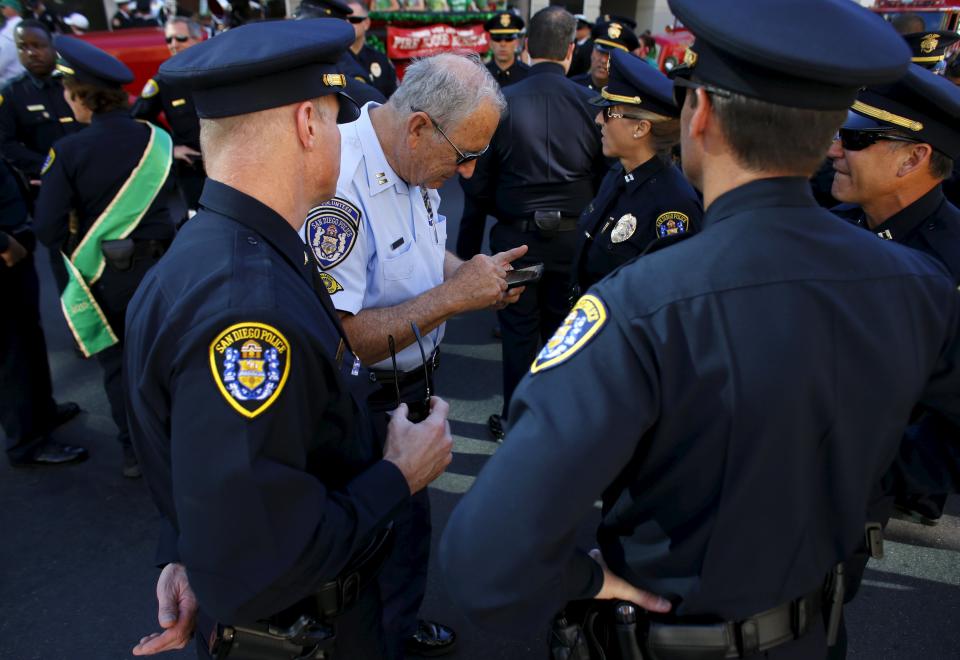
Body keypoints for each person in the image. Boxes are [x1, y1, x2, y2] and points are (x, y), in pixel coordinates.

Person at [439, 2, 960, 659]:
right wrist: (861, 476)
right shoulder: (916, 284)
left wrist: (587, 578)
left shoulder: (641, 305)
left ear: (703, 116)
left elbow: (483, 558)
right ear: (828, 134)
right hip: (816, 633)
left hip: (670, 633)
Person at [125, 18, 454, 659]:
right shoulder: (250, 310)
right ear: (307, 124)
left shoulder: (210, 252)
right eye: (335, 119)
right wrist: (400, 474)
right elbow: (268, 555)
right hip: (303, 634)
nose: (341, 136)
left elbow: (197, 456)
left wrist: (187, 552)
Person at [305, 52, 523, 658]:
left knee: (409, 530)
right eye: (464, 154)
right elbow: (342, 339)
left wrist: (474, 274)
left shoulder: (414, 161)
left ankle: (400, 624)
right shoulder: (339, 183)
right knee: (371, 543)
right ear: (420, 126)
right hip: (363, 405)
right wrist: (457, 296)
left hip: (412, 390)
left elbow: (425, 260)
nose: (471, 172)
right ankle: (382, 638)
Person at [825, 62, 960, 659]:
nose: (834, 149)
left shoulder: (950, 262)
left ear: (913, 159)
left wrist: (880, 475)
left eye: (855, 139)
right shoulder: (831, 228)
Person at [460, 6, 606, 441]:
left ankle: (518, 423)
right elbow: (604, 178)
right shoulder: (590, 105)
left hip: (516, 240)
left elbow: (478, 187)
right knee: (565, 334)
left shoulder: (503, 105)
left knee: (519, 334)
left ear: (526, 46)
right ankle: (560, 425)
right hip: (573, 241)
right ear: (571, 49)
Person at [33, 35, 175, 478]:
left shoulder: (70, 150)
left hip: (105, 276)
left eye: (68, 93)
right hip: (164, 269)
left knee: (118, 366)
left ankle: (135, 450)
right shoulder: (155, 138)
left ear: (80, 96)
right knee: (166, 357)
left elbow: (47, 229)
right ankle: (180, 440)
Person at [571, 49, 701, 298]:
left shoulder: (673, 206)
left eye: (610, 111)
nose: (599, 119)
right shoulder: (618, 174)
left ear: (641, 128)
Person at [1, 157, 84, 467]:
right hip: (6, 252)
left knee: (29, 339)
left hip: (16, 249)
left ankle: (41, 413)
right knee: (13, 355)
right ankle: (27, 443)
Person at [0, 20, 79, 291]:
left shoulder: (73, 83)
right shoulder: (11, 95)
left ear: (52, 47)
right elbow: (6, 145)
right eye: (23, 47)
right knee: (63, 262)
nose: (31, 53)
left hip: (88, 183)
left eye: (38, 45)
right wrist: (49, 167)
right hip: (47, 190)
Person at [132, 17, 204, 212]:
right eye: (169, 39)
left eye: (181, 38)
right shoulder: (163, 82)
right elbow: (137, 119)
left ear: (198, 39)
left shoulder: (217, 73)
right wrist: (171, 148)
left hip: (228, 166)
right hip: (194, 171)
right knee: (197, 223)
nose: (174, 44)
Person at [345, 0, 397, 99]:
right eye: (344, 19)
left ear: (367, 23)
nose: (348, 23)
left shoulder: (381, 60)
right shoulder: (334, 60)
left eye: (354, 20)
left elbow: (393, 99)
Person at [570, 19, 639, 92]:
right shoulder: (573, 86)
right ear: (592, 53)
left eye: (611, 55)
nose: (604, 60)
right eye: (600, 52)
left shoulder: (627, 94)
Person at [483, 12, 528, 88]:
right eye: (497, 38)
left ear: (516, 42)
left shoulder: (527, 75)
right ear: (490, 43)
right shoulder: (481, 75)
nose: (503, 44)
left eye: (508, 39)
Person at [0, 0, 25, 86]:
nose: (1, 9)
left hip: (10, 81)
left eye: (4, 7)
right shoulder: (26, 25)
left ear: (13, 8)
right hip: (25, 77)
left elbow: (2, 61)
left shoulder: (10, 30)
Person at [568, 14, 592, 78]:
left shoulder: (590, 46)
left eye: (578, 28)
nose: (575, 31)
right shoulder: (573, 43)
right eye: (574, 29)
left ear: (587, 29)